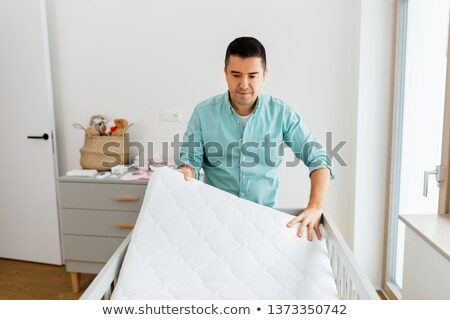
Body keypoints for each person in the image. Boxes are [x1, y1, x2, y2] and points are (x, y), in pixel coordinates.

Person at [176, 36, 334, 241]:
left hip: (263, 222)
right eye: (236, 75)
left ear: (264, 75)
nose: (244, 84)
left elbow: (319, 158)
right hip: (214, 220)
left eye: (252, 75)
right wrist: (186, 171)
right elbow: (190, 161)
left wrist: (315, 206)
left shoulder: (281, 113)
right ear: (225, 73)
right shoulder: (203, 113)